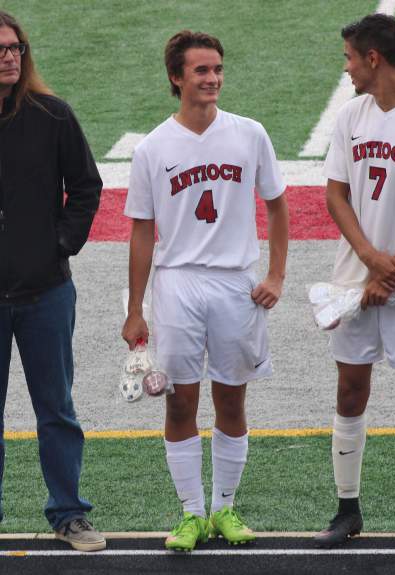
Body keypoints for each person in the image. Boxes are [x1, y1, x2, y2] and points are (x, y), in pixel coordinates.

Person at [122, 30, 288, 552]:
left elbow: (278, 206)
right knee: (179, 403)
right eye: (201, 70)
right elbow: (142, 231)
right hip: (177, 285)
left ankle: (224, 509)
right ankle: (192, 514)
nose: (213, 78)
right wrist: (135, 308)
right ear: (177, 77)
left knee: (232, 398)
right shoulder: (152, 148)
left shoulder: (250, 134)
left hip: (236, 283)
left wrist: (276, 274)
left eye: (217, 69)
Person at [0, 11, 105, 551]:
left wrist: (59, 244)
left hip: (46, 292)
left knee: (57, 410)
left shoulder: (53, 115)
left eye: (16, 47)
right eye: (1, 49)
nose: (11, 56)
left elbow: (86, 187)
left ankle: (69, 515)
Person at [315, 13, 395, 548]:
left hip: (384, 280)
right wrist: (371, 259)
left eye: (349, 57)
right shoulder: (352, 116)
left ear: (373, 58)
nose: (346, 68)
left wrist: (389, 273)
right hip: (359, 279)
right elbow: (334, 194)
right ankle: (348, 509)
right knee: (350, 390)